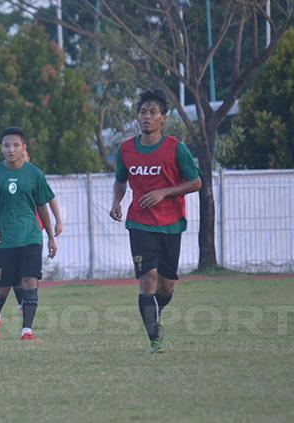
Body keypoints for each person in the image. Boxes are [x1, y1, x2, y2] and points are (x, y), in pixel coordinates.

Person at [109, 89, 201, 353]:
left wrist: (164, 192)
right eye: (143, 112)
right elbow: (120, 180)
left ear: (163, 118)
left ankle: (156, 312)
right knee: (147, 278)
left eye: (152, 112)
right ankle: (155, 340)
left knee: (165, 287)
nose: (146, 117)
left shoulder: (176, 149)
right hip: (139, 224)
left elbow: (196, 182)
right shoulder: (126, 149)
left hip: (171, 224)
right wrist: (116, 203)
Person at [0, 127, 58, 342]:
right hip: (3, 240)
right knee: (2, 289)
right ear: (1, 148)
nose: (11, 149)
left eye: (16, 145)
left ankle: (27, 331)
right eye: (7, 145)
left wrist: (51, 236)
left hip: (30, 238)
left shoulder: (35, 174)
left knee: (30, 282)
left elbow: (43, 206)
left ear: (24, 148)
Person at [12, 149, 63, 313]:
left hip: (33, 230)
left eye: (24, 155)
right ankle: (23, 301)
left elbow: (51, 198)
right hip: (13, 231)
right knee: (13, 271)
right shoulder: (8, 177)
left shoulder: (35, 176)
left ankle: (28, 301)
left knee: (30, 271)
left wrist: (58, 221)